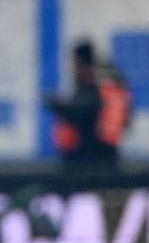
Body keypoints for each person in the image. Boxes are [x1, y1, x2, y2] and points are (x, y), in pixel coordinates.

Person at [46, 39, 131, 171]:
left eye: (74, 61)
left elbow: (82, 114)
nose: (72, 66)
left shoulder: (94, 82)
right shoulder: (109, 80)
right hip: (103, 150)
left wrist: (58, 107)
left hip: (90, 154)